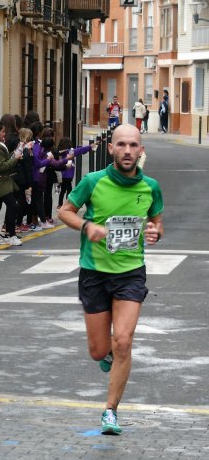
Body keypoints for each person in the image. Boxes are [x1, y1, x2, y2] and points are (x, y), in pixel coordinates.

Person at [58, 124, 164, 435]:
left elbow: (157, 220)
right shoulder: (93, 181)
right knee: (97, 350)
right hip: (94, 272)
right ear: (111, 149)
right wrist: (86, 226)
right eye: (122, 145)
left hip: (130, 272)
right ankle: (104, 354)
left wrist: (157, 231)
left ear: (141, 150)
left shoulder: (151, 187)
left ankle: (110, 410)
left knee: (124, 341)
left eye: (134, 145)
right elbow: (65, 211)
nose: (128, 150)